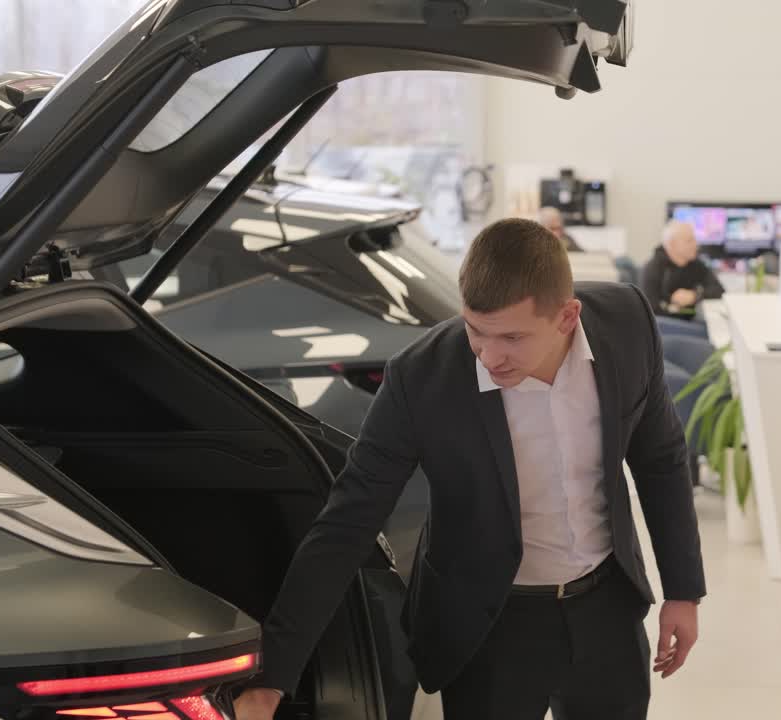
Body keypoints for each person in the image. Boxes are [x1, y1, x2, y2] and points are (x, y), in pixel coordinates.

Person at [233, 218, 705, 720]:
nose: (489, 355)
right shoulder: (421, 377)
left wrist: (683, 589)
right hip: (490, 622)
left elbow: (661, 459)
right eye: (476, 331)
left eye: (512, 338)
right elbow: (346, 523)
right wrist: (273, 680)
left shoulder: (627, 323)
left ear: (567, 317)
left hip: (605, 607)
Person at [641, 220, 725, 318]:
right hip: (667, 326)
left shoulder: (695, 263)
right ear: (672, 244)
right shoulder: (652, 269)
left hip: (690, 318)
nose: (696, 245)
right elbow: (650, 313)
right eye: (689, 241)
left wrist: (694, 296)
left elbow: (719, 290)